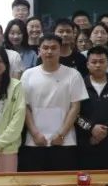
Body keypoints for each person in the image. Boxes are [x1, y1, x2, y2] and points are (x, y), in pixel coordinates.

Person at [19, 35, 87, 172]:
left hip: (65, 141)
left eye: (53, 48)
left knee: (63, 182)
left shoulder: (73, 74)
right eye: (45, 48)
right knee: (36, 182)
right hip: (35, 141)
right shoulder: (28, 75)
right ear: (39, 51)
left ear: (60, 50)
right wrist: (35, 134)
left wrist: (61, 134)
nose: (49, 51)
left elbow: (75, 107)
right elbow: (24, 107)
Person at [76, 46, 108, 170]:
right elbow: (75, 114)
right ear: (87, 64)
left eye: (101, 62)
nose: (98, 65)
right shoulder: (79, 85)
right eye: (94, 62)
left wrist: (106, 129)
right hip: (86, 143)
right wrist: (91, 128)